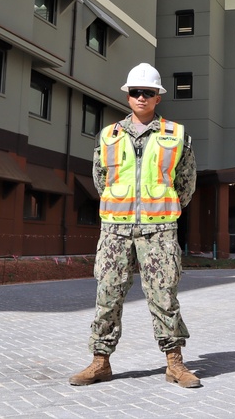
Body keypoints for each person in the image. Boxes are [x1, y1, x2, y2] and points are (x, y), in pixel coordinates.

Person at [69, 62, 200, 388]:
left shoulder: (177, 135)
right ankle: (100, 362)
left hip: (159, 231)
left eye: (149, 93)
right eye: (136, 92)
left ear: (158, 98)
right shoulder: (108, 136)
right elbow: (102, 180)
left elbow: (186, 184)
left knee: (164, 297)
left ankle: (175, 364)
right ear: (128, 96)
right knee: (107, 295)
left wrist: (161, 209)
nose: (142, 97)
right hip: (115, 229)